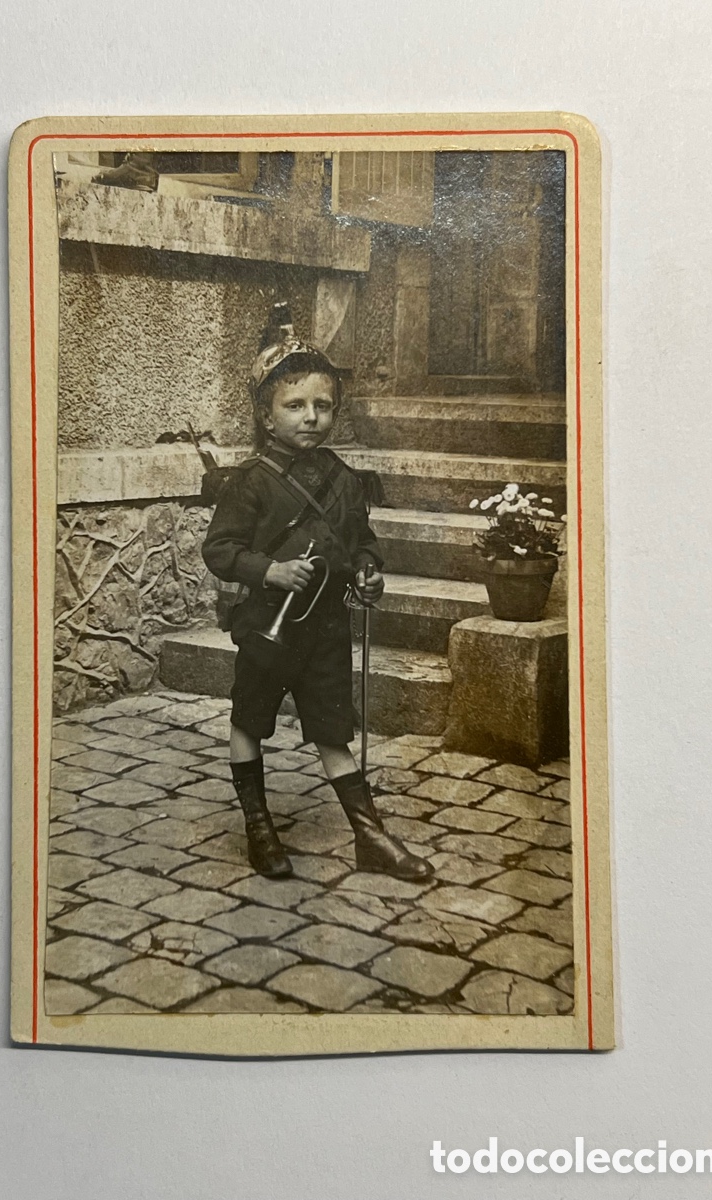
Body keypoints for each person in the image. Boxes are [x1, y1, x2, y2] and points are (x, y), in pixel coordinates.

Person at [201, 304, 433, 883]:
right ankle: (259, 828)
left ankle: (370, 837)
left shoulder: (342, 478)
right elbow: (219, 550)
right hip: (266, 627)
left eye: (322, 406)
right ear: (266, 413)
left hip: (326, 628)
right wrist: (270, 572)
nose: (310, 417)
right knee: (250, 721)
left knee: (332, 730)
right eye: (295, 405)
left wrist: (368, 571)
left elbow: (361, 541)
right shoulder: (249, 481)